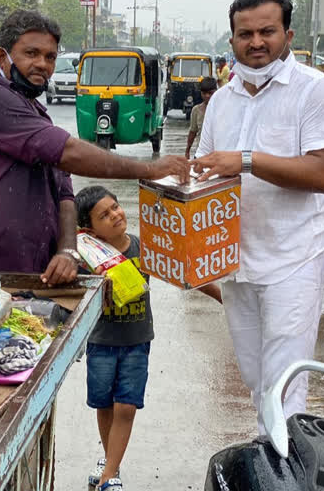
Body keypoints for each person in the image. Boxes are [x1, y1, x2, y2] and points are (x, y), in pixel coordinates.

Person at [0, 10, 189, 286]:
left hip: (29, 278)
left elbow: (65, 196)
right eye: (31, 53)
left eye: (50, 57)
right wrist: (150, 169)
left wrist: (67, 251)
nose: (42, 64)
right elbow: (69, 154)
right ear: (2, 58)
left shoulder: (38, 114)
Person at [193, 0, 324, 432]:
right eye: (245, 34)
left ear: (288, 34)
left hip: (293, 258)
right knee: (257, 380)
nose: (256, 42)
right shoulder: (221, 101)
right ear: (232, 40)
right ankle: (272, 460)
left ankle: (281, 470)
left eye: (266, 31)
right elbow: (205, 175)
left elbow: (322, 174)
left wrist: (244, 160)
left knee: (284, 385)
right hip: (237, 261)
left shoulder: (317, 90)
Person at [75, 186, 221, 491]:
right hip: (100, 342)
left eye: (115, 207)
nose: (115, 215)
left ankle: (109, 475)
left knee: (126, 407)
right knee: (104, 405)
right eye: (104, 215)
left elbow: (183, 271)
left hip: (137, 341)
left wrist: (223, 297)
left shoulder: (144, 249)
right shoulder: (87, 259)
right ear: (90, 230)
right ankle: (109, 459)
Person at [185, 77, 217, 159]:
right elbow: (193, 131)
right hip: (201, 153)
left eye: (210, 93)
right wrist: (187, 150)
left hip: (218, 155)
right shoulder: (196, 110)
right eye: (204, 93)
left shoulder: (222, 109)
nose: (207, 96)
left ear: (216, 92)